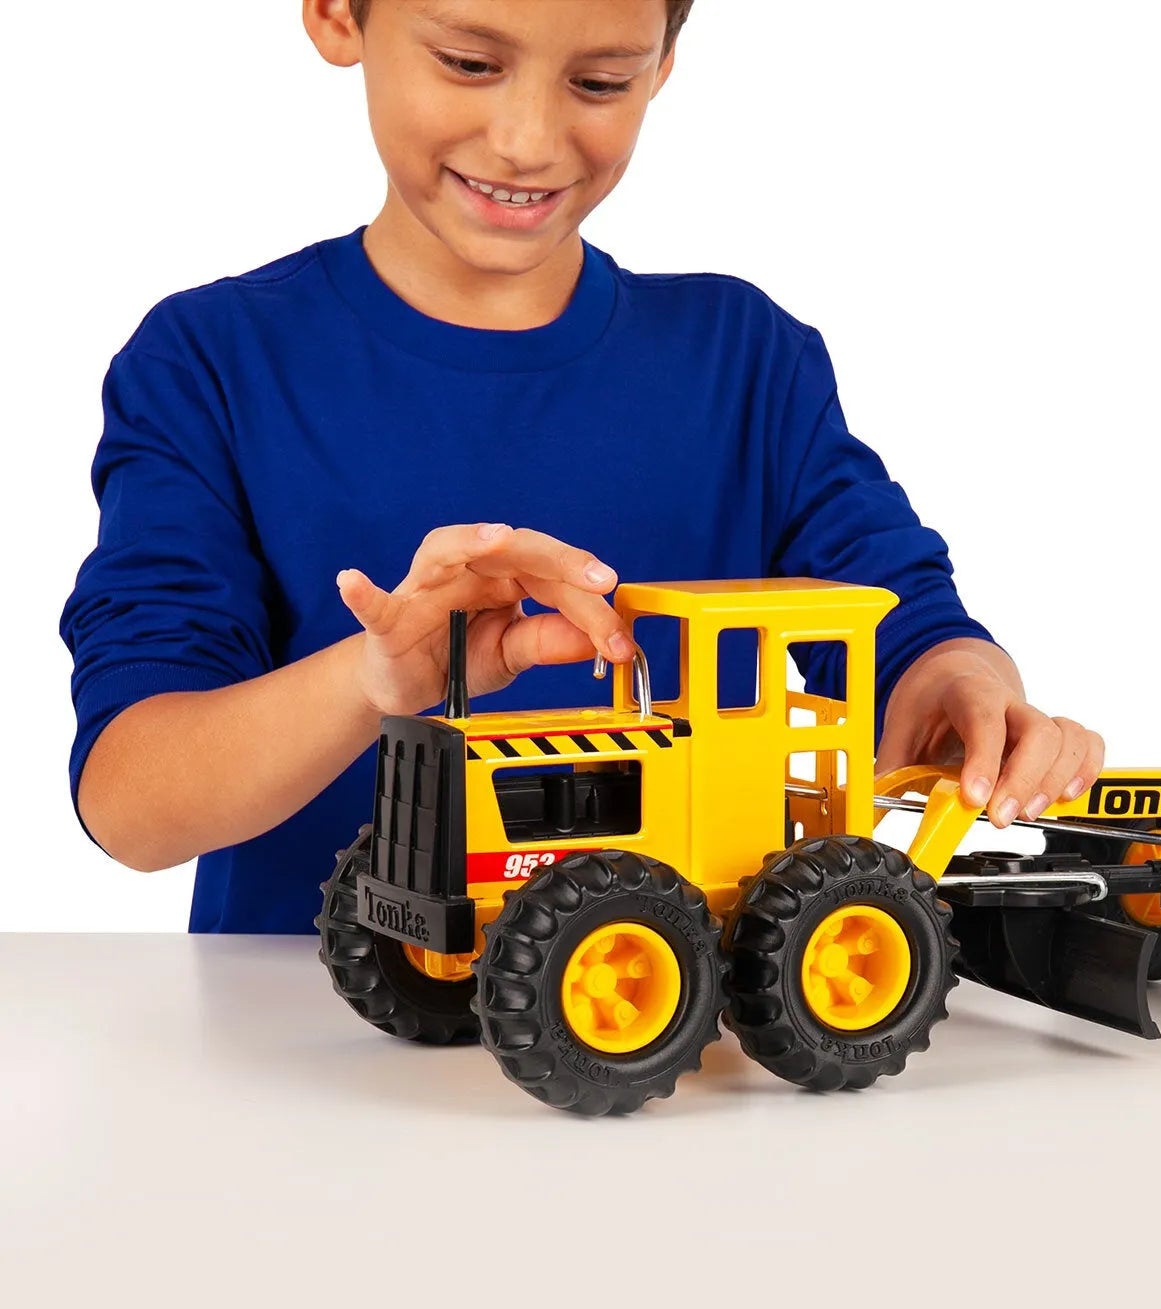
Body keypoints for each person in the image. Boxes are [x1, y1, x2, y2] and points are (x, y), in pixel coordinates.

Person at [59, 0, 1104, 935]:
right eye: (471, 62)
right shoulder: (209, 362)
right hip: (305, 1042)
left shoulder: (744, 361)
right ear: (338, 15)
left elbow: (904, 629)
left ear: (662, 64)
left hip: (684, 1040)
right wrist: (377, 680)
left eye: (599, 81)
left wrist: (968, 692)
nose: (526, 140)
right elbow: (131, 805)